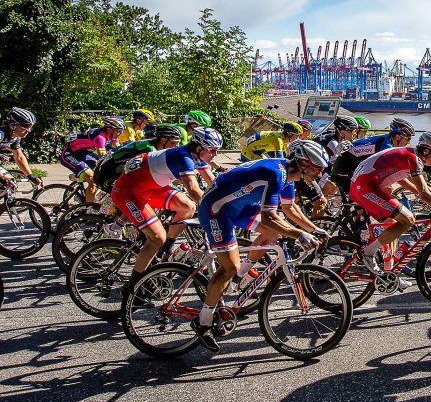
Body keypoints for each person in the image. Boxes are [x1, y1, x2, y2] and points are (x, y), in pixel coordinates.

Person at [189, 140, 331, 351]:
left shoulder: (288, 173)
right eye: (317, 169)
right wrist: (299, 235)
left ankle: (240, 277)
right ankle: (203, 322)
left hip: (236, 206)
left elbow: (290, 208)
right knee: (228, 267)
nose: (319, 175)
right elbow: (269, 218)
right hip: (216, 210)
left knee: (271, 234)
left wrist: (312, 229)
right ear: (303, 163)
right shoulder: (275, 174)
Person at [115, 127, 221, 302]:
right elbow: (194, 191)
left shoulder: (196, 156)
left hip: (150, 187)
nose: (215, 154)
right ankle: (131, 289)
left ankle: (166, 252)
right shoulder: (183, 157)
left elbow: (213, 183)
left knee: (187, 207)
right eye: (212, 150)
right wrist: (214, 209)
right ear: (199, 147)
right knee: (157, 237)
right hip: (129, 191)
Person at [351, 132, 431, 276]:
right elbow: (424, 194)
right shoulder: (413, 159)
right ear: (426, 151)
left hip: (366, 185)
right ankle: (367, 253)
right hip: (364, 187)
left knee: (394, 224)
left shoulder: (410, 156)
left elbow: (418, 188)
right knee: (408, 220)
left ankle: (389, 274)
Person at [330, 118, 415, 196]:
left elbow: (403, 171)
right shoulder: (386, 146)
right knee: (383, 190)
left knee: (385, 189)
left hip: (354, 166)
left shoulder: (388, 140)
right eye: (407, 138)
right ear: (398, 137)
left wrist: (420, 184)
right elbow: (398, 175)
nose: (409, 141)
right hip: (344, 168)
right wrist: (418, 191)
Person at [92, 124, 182, 192]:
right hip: (107, 176)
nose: (177, 146)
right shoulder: (150, 149)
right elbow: (154, 174)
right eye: (175, 142)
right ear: (163, 140)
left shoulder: (153, 145)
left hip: (113, 172)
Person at [60, 117, 125, 202]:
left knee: (98, 176)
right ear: (110, 129)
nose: (121, 133)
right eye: (119, 131)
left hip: (83, 155)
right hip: (70, 154)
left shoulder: (112, 136)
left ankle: (81, 179)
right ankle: (89, 209)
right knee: (93, 180)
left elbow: (120, 150)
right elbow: (103, 158)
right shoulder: (100, 137)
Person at [0, 108, 42, 190]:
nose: (29, 130)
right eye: (25, 126)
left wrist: (30, 176)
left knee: (10, 182)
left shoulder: (15, 137)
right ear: (13, 125)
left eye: (30, 127)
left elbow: (19, 157)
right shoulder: (1, 134)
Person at [240, 122, 304, 162]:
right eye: (297, 135)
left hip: (256, 152)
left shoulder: (283, 140)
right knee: (264, 169)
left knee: (268, 165)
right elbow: (280, 159)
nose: (297, 138)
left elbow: (286, 157)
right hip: (248, 152)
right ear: (289, 134)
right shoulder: (278, 139)